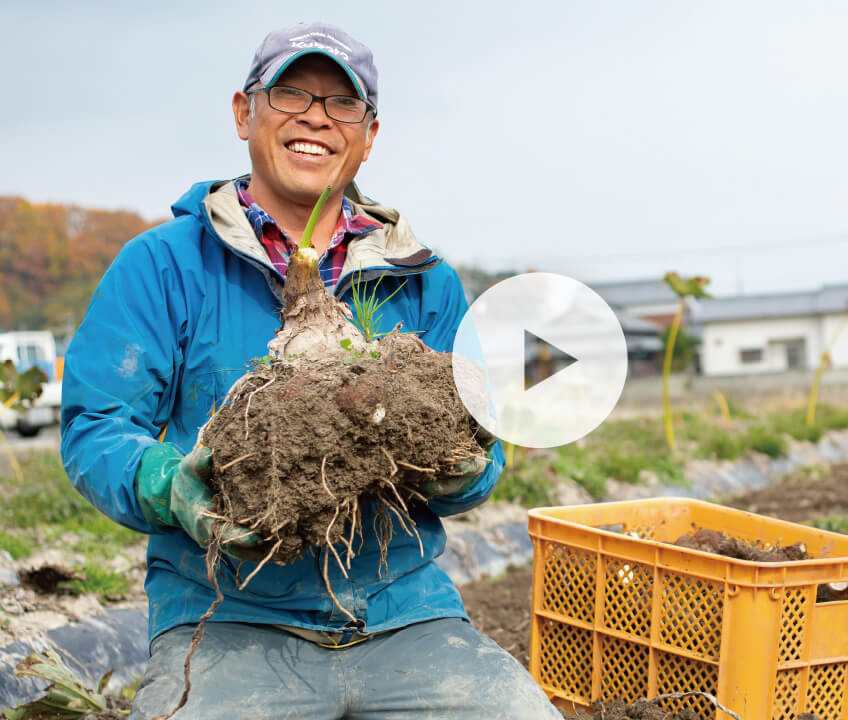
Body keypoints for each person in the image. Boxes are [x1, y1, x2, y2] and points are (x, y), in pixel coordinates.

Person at [60, 22, 561, 719]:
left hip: (401, 613)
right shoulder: (163, 266)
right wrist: (164, 482)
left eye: (342, 103)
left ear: (370, 134)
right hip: (227, 619)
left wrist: (466, 465)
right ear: (244, 112)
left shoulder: (426, 283)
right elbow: (97, 426)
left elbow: (485, 446)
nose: (316, 117)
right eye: (292, 91)